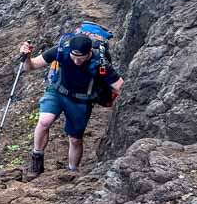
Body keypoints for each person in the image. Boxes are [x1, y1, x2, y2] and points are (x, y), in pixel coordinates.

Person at [18, 33, 124, 175]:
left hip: (81, 101)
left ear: (89, 53)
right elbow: (31, 66)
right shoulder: (61, 51)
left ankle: (72, 172)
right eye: (74, 57)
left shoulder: (100, 63)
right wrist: (27, 57)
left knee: (75, 140)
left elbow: (120, 85)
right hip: (56, 91)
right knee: (44, 121)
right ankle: (37, 157)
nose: (76, 62)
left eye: (80, 58)